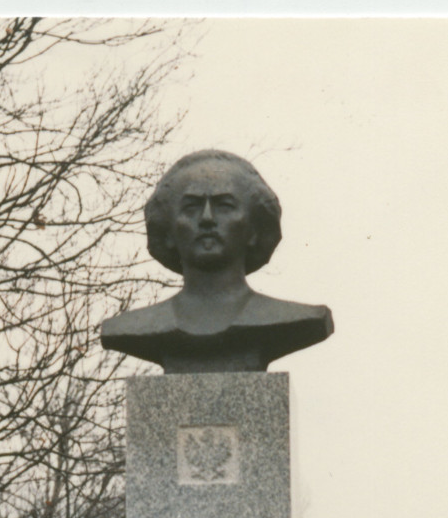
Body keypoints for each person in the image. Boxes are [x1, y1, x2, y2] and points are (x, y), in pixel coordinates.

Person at [101, 150, 333, 373]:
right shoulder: (137, 326)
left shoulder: (288, 319)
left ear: (253, 229)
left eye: (224, 206)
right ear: (169, 232)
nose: (207, 218)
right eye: (191, 207)